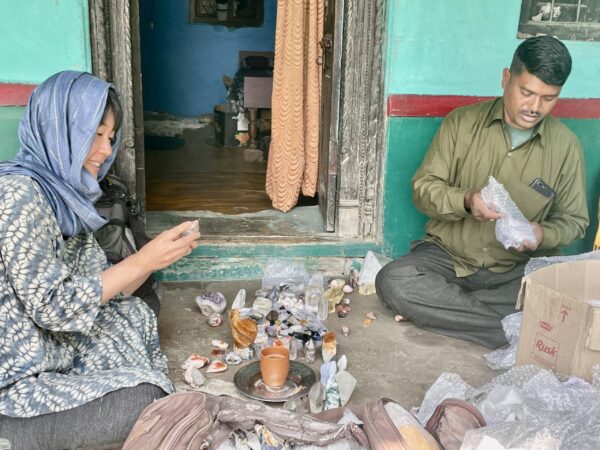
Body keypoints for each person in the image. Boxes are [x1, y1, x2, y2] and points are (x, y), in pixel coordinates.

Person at [0, 71, 200, 449]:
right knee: (148, 398)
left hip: (49, 342)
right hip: (12, 380)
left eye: (110, 137)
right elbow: (56, 306)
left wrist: (155, 258)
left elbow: (96, 283)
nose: (106, 150)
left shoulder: (59, 192)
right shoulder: (19, 195)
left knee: (135, 311)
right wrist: (143, 260)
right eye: (95, 134)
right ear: (59, 128)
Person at [376, 36, 589, 349]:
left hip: (513, 271)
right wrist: (466, 200)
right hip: (448, 259)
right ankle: (511, 335)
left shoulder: (566, 146)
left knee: (567, 292)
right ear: (506, 79)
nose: (534, 107)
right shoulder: (461, 123)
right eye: (526, 92)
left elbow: (574, 220)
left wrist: (540, 233)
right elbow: (423, 189)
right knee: (394, 281)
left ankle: (446, 311)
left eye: (548, 98)